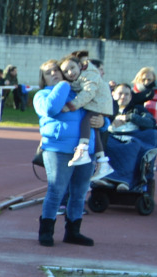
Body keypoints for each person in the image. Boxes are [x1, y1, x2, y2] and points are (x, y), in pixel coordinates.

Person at [34, 59, 94, 247]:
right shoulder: (42, 95)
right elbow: (51, 109)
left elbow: (96, 113)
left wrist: (104, 122)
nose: (53, 74)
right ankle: (46, 231)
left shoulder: (80, 94)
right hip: (58, 150)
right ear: (43, 78)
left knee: (79, 193)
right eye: (48, 73)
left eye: (56, 70)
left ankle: (73, 231)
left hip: (85, 151)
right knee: (56, 191)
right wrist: (63, 85)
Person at [64, 51, 113, 180]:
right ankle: (102, 162)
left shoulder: (90, 74)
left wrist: (71, 105)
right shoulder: (84, 75)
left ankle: (83, 150)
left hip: (98, 104)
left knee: (86, 121)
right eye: (66, 71)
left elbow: (87, 93)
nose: (70, 72)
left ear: (80, 65)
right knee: (94, 131)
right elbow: (79, 85)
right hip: (99, 104)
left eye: (72, 67)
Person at [129, 67, 157, 144]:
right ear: (138, 79)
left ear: (154, 80)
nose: (146, 82)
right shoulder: (131, 94)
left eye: (149, 80)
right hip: (136, 133)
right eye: (143, 79)